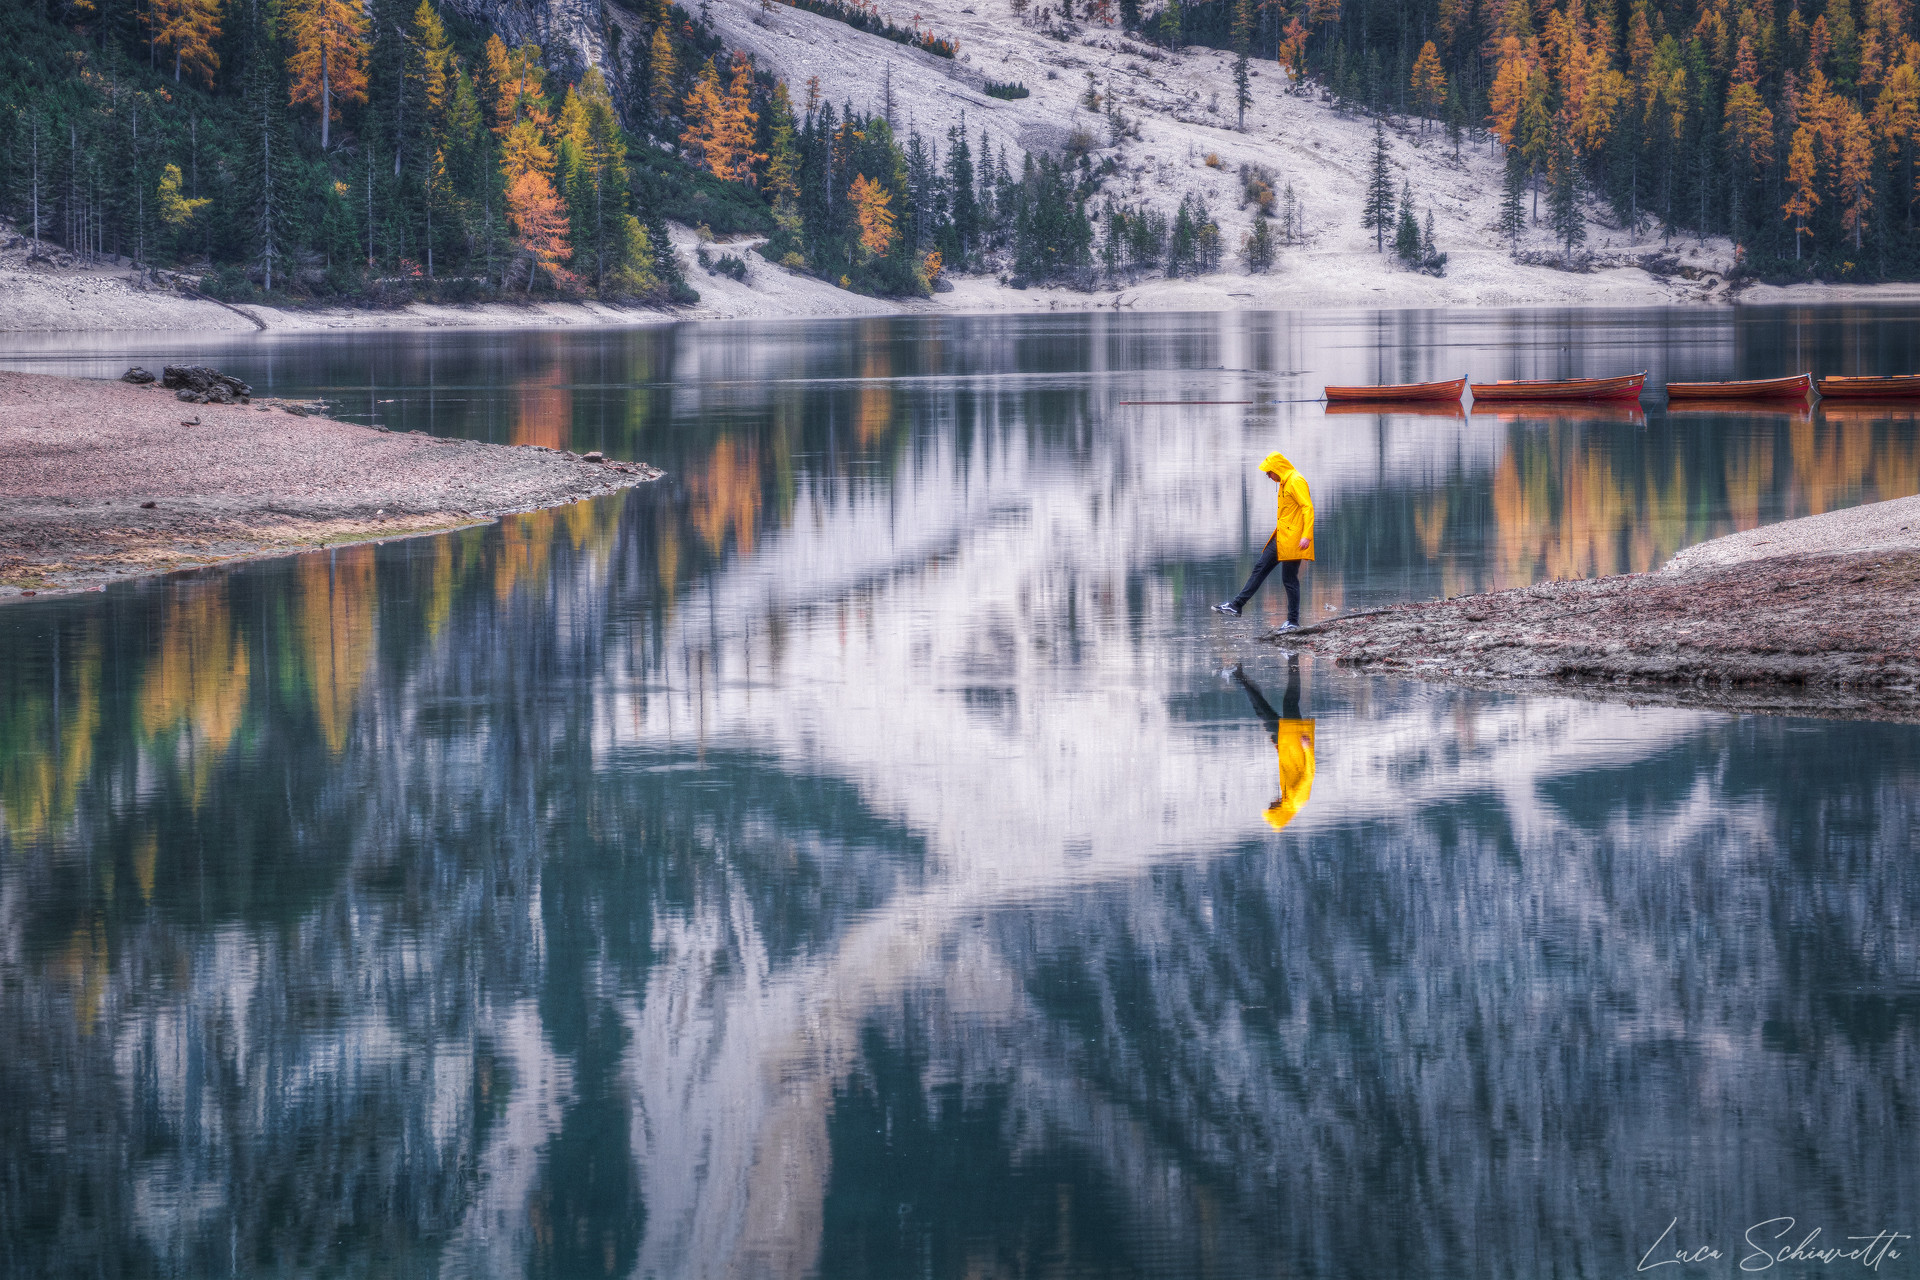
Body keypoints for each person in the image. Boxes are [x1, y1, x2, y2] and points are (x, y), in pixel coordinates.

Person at [1213, 450, 1313, 630]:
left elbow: (1308, 508)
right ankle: (1237, 605)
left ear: (1277, 468)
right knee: (1260, 569)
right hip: (1281, 537)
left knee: (1289, 579)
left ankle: (1293, 622)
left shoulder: (1296, 481)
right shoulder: (1284, 482)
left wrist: (1306, 535)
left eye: (1269, 472)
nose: (1268, 475)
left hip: (1294, 540)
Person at [1228, 658, 1316, 831]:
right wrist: (1307, 747)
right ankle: (1292, 657)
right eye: (1272, 806)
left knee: (1261, 709)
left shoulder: (1287, 797)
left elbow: (1288, 767)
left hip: (1284, 742)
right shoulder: (1297, 800)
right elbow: (1308, 773)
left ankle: (1239, 675)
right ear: (1280, 810)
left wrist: (1278, 748)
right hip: (1295, 739)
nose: (1271, 802)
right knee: (1290, 698)